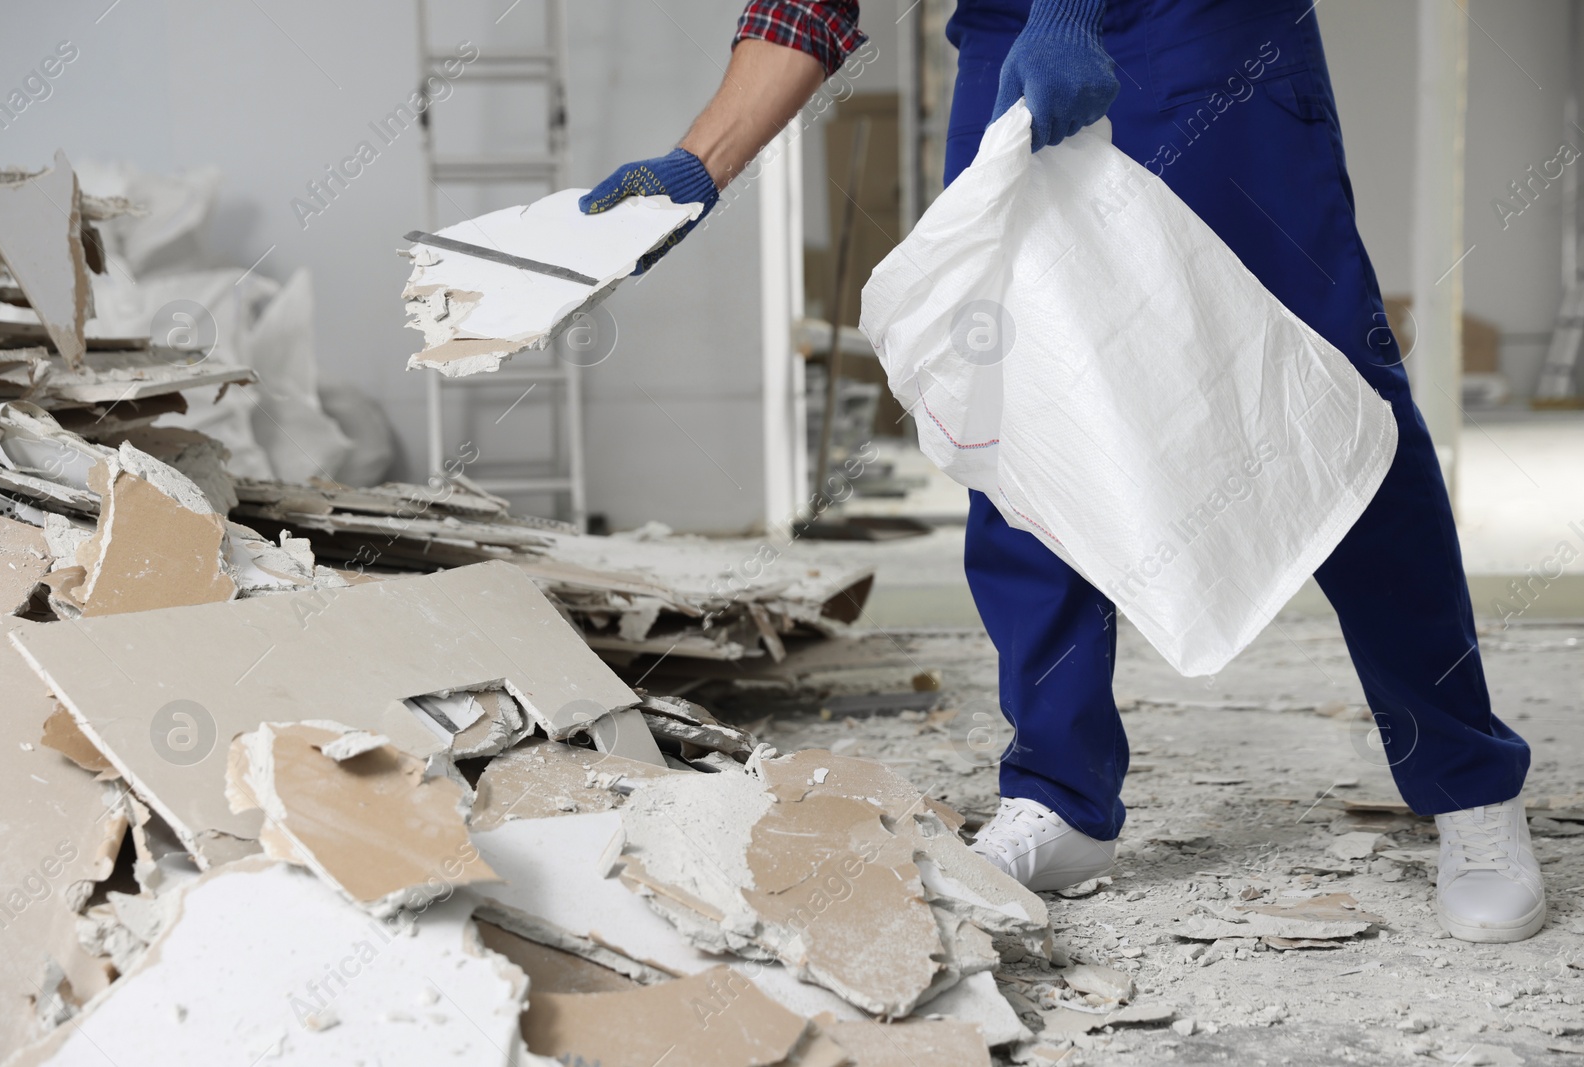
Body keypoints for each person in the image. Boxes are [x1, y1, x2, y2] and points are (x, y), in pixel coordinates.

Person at [578, 0, 1545, 944]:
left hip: (1204, 31)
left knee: (1332, 399)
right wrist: (701, 164)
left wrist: (1073, 10)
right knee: (1016, 416)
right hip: (1009, 40)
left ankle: (1469, 783)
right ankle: (1060, 795)